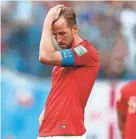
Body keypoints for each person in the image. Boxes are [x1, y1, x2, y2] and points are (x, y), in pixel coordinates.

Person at [38, 5, 99, 139]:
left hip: (67, 133)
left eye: (62, 33)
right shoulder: (62, 60)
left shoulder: (85, 51)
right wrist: (46, 110)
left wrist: (47, 21)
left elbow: (45, 56)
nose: (58, 40)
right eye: (54, 35)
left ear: (75, 29)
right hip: (48, 131)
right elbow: (61, 89)